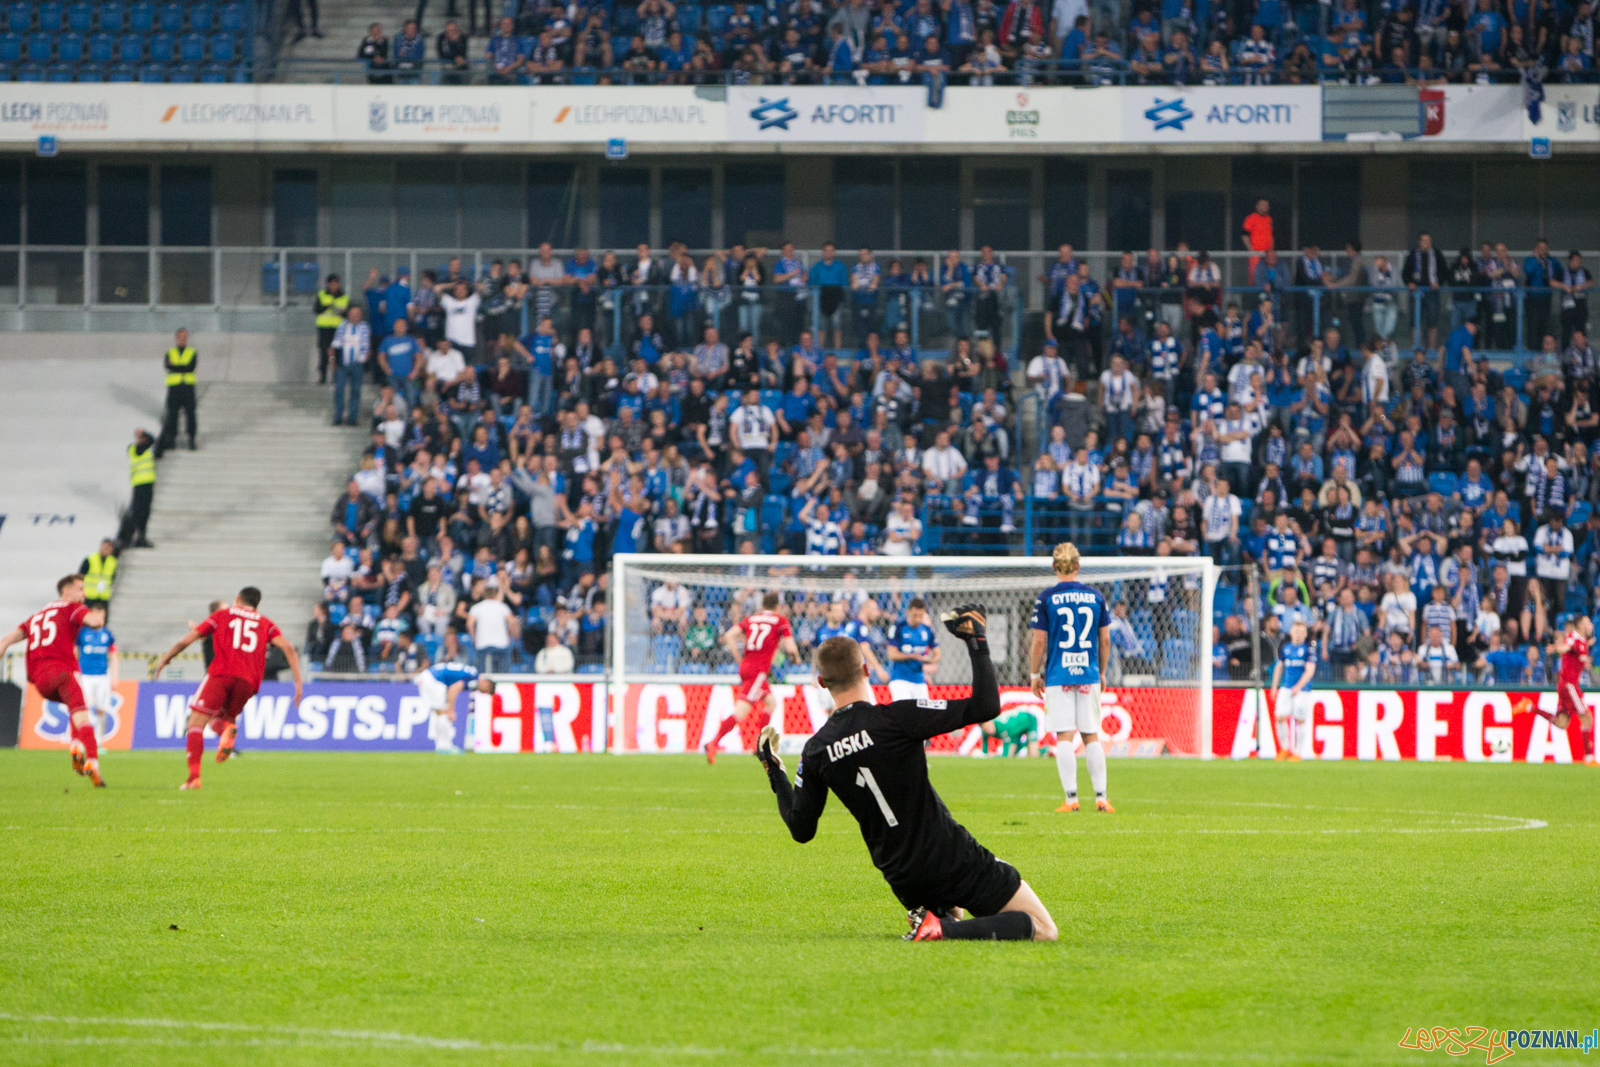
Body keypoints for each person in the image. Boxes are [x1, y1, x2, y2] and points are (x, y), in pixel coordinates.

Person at [756, 609, 1058, 942]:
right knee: (1044, 928)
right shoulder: (898, 718)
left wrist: (775, 771)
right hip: (948, 855)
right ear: (866, 670)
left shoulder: (816, 750)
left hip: (902, 877)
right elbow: (985, 706)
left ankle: (937, 919)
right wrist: (977, 641)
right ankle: (942, 927)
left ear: (821, 682)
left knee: (954, 911)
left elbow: (801, 828)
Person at [149, 586, 304, 790]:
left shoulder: (221, 615)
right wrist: (298, 682)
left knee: (195, 724)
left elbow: (186, 640)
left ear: (238, 598)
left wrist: (166, 658)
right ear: (257, 604)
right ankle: (226, 729)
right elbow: (288, 648)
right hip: (248, 682)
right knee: (220, 720)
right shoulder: (266, 623)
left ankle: (194, 778)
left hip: (221, 674)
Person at [0, 575, 108, 786]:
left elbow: (6, 640)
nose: (84, 594)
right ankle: (93, 762)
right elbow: (96, 622)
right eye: (80, 589)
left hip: (41, 682)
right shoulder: (72, 608)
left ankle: (75, 746)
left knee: (73, 706)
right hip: (62, 672)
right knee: (82, 713)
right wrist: (97, 616)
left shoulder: (37, 615)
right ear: (67, 591)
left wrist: (3, 646)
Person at [1030, 541, 1113, 814]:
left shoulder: (1046, 598)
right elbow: (1105, 640)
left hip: (1059, 674)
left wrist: (1034, 674)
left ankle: (1071, 800)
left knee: (1064, 736)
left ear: (1054, 566)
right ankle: (1101, 798)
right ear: (1078, 565)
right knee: (1091, 735)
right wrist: (1101, 672)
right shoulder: (1095, 596)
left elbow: (1039, 641)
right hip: (1088, 673)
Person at [707, 591, 800, 763]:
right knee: (741, 711)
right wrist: (796, 657)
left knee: (771, 703)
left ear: (763, 606)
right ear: (777, 607)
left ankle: (760, 745)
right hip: (758, 671)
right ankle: (713, 743)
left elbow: (728, 636)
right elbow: (791, 648)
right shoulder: (780, 621)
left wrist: (738, 658)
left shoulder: (751, 619)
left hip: (748, 667)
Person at [1515, 616, 1596, 765]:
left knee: (1561, 723)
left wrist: (1586, 644)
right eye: (1588, 623)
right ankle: (1589, 758)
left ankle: (1529, 706)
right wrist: (1557, 648)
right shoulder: (1574, 639)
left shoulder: (1582, 640)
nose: (1591, 625)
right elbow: (1566, 646)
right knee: (1587, 718)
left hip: (1565, 686)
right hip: (1570, 686)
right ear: (1581, 626)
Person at [1270, 619, 1317, 761]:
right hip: (1286, 687)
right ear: (1291, 632)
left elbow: (1310, 671)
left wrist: (1298, 686)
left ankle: (1297, 753)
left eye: (1302, 632)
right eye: (1296, 631)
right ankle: (1284, 748)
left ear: (1305, 634)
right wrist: (1274, 687)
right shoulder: (1285, 648)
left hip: (1303, 690)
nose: (1298, 634)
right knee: (1280, 717)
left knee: (1300, 719)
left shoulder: (1309, 649)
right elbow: (1279, 667)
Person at [414, 659, 479, 754]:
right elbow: (453, 689)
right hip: (434, 680)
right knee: (444, 713)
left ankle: (440, 745)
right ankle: (446, 746)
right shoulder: (472, 677)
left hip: (425, 677)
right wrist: (451, 710)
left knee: (439, 713)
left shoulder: (468, 670)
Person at [884, 597, 939, 701]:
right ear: (908, 612)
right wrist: (912, 656)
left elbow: (937, 654)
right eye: (915, 615)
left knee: (924, 710)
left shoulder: (927, 630)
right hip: (900, 679)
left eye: (921, 615)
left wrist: (930, 660)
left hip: (919, 680)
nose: (918, 619)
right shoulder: (898, 628)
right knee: (904, 710)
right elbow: (891, 654)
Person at [75, 613, 118, 743]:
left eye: (101, 616)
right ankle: (84, 740)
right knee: (83, 709)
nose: (98, 619)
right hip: (85, 676)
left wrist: (114, 677)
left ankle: (99, 741)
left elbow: (114, 656)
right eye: (95, 616)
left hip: (102, 676)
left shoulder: (108, 634)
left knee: (101, 709)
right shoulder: (82, 633)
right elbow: (75, 652)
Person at [156, 327, 198, 458]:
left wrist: (175, 367)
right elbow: (167, 366)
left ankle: (191, 439)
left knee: (190, 414)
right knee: (172, 414)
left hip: (187, 388)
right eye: (180, 337)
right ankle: (172, 440)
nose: (182, 339)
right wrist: (181, 368)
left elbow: (190, 367)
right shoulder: (170, 352)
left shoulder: (192, 352)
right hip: (174, 388)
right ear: (176, 338)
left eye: (185, 337)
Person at [118, 429, 157, 549]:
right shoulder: (135, 449)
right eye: (142, 438)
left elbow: (152, 440)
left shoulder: (145, 450)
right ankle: (128, 537)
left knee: (144, 513)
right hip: (140, 485)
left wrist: (143, 433)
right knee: (137, 513)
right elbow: (150, 441)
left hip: (148, 484)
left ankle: (141, 537)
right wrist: (142, 436)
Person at [314, 274, 349, 385]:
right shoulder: (322, 295)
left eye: (336, 283)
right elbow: (316, 309)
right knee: (324, 352)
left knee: (337, 353)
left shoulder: (344, 297)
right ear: (328, 284)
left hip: (338, 328)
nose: (334, 286)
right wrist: (327, 307)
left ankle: (336, 376)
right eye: (332, 283)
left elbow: (347, 314)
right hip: (324, 328)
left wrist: (341, 312)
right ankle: (323, 376)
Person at [79, 537, 118, 616]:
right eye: (106, 547)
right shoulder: (90, 559)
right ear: (101, 547)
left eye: (109, 548)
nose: (107, 550)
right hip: (89, 596)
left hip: (103, 597)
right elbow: (80, 576)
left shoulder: (113, 562)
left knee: (102, 619)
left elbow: (113, 578)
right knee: (86, 617)